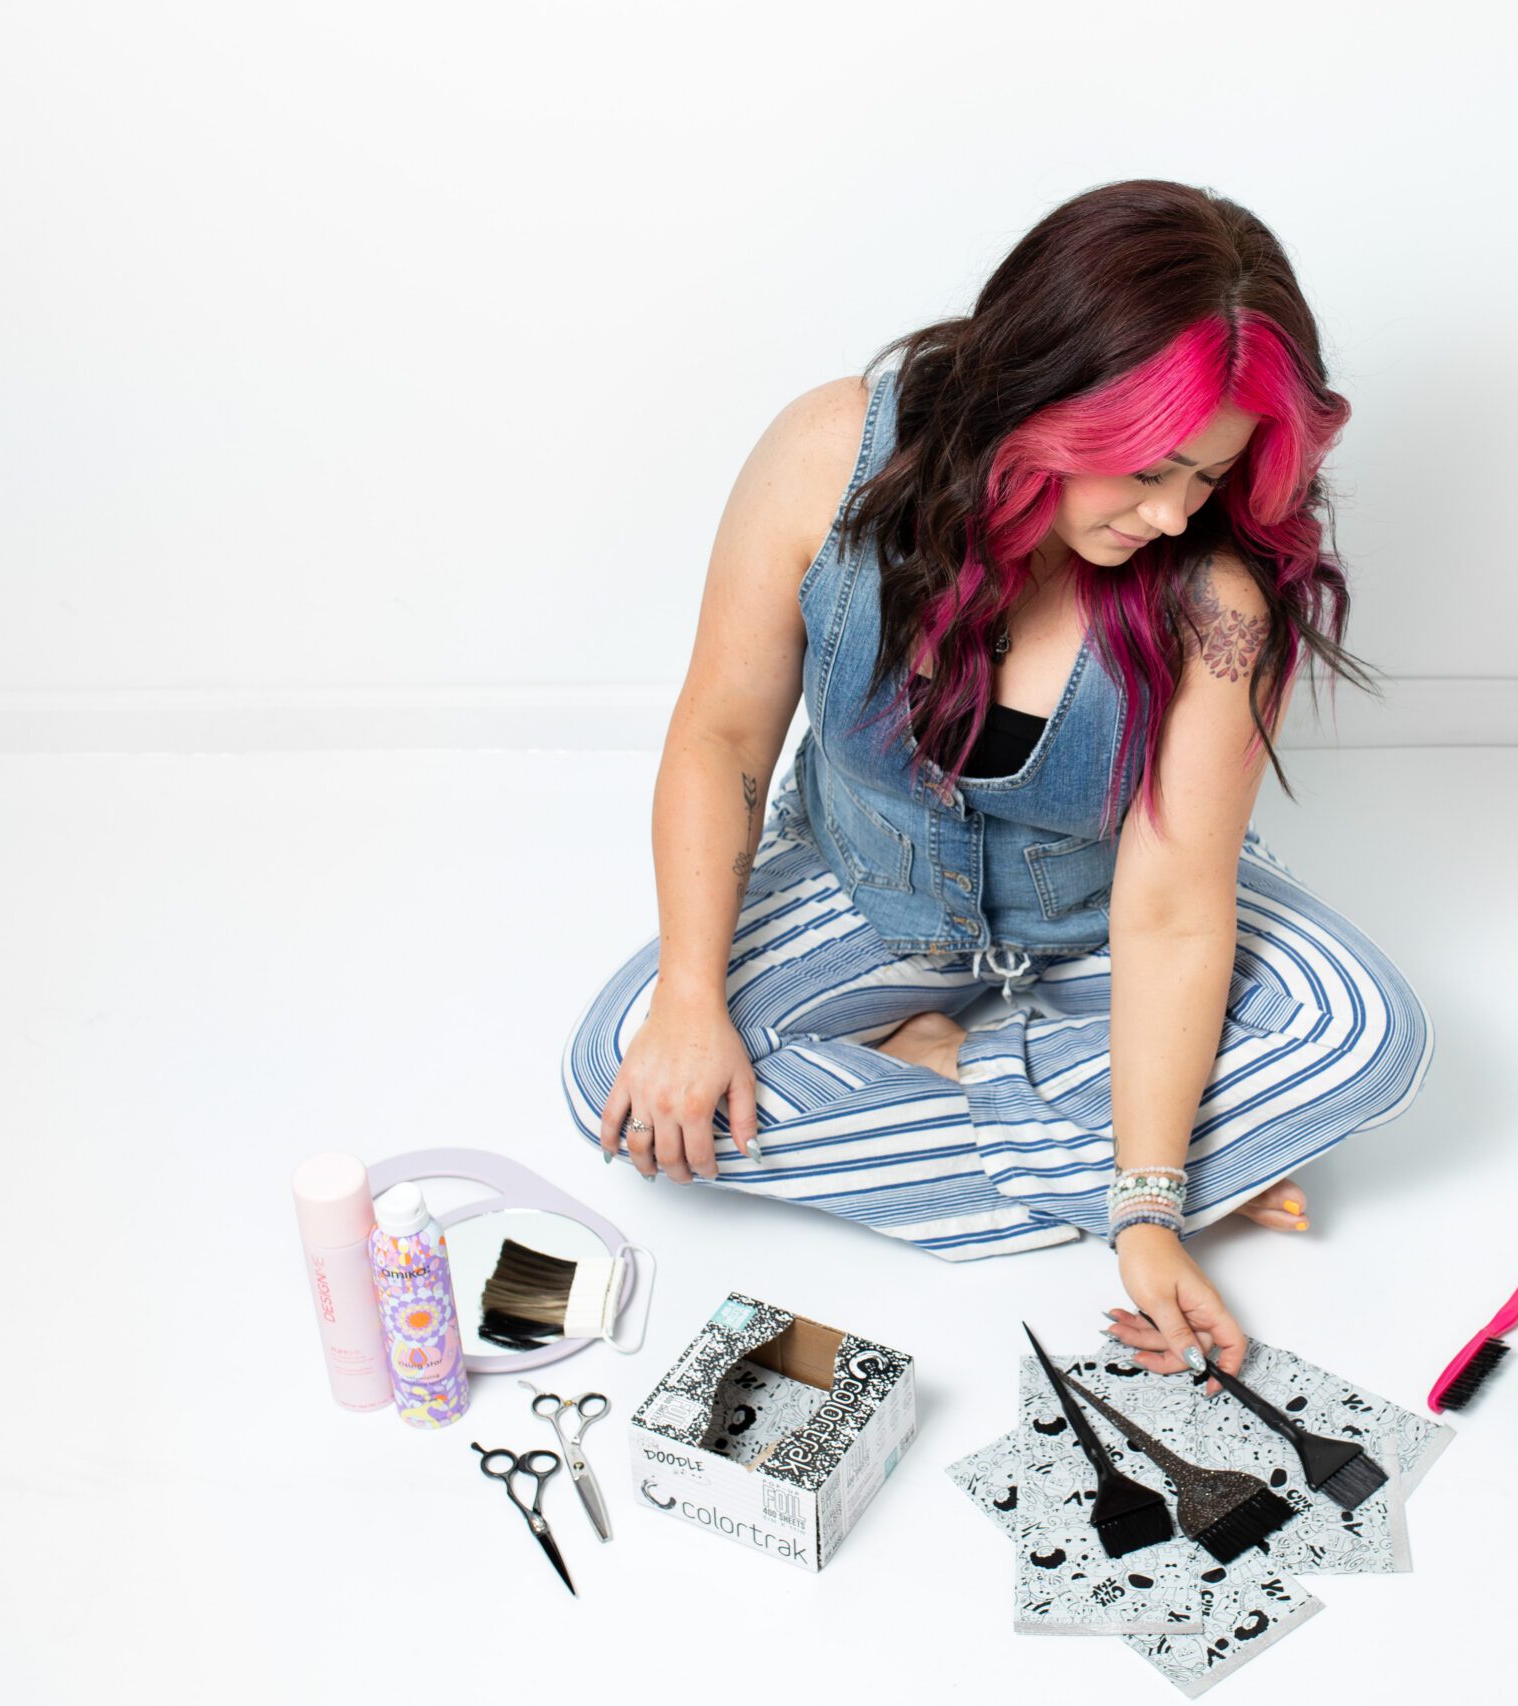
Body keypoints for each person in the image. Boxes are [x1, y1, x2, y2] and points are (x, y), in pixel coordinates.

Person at [563, 178, 1433, 1390]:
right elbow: (721, 735)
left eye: (1210, 477)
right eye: (1149, 469)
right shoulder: (831, 457)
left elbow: (1176, 904)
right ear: (1044, 394)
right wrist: (692, 997)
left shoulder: (1215, 603)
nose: (1176, 514)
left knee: (1365, 1035)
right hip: (876, 891)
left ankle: (967, 1077)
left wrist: (1141, 1206)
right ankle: (1147, 1126)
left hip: (1112, 914)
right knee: (623, 1070)